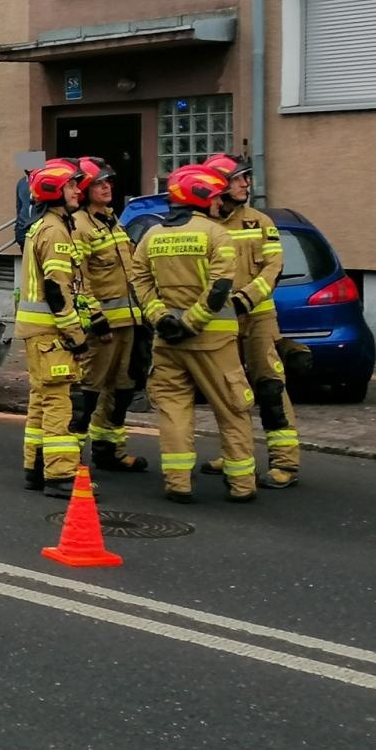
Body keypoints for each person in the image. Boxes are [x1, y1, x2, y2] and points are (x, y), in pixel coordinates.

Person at [132, 164, 257, 504]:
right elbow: (220, 288)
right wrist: (192, 322)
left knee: (173, 412)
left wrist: (161, 319)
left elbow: (139, 282)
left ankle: (178, 483)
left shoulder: (151, 236)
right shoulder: (217, 235)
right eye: (216, 196)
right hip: (212, 341)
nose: (220, 202)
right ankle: (242, 484)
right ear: (201, 197)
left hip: (166, 343)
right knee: (232, 409)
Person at [202, 153, 301, 488]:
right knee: (229, 391)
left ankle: (285, 462)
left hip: (257, 318)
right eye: (238, 178)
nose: (246, 183)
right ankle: (234, 454)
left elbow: (273, 268)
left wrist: (247, 298)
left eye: (246, 177)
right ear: (218, 184)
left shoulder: (260, 222)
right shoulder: (205, 225)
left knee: (270, 386)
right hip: (221, 322)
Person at [68, 156, 149, 473]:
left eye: (109, 182)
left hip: (128, 324)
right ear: (86, 189)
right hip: (101, 328)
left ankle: (108, 450)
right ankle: (69, 456)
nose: (107, 187)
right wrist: (97, 318)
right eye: (100, 182)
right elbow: (79, 279)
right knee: (87, 392)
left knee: (123, 389)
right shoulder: (80, 228)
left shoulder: (113, 221)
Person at [16, 158, 88, 498]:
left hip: (36, 331)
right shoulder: (56, 230)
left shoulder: (41, 226)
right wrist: (76, 336)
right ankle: (60, 475)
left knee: (41, 400)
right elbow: (58, 290)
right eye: (72, 185)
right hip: (51, 332)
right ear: (56, 191)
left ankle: (35, 467)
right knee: (59, 402)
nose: (78, 190)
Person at [13, 170, 35, 249]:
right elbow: (19, 206)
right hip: (23, 230)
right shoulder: (21, 183)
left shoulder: (44, 181)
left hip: (38, 230)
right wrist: (18, 228)